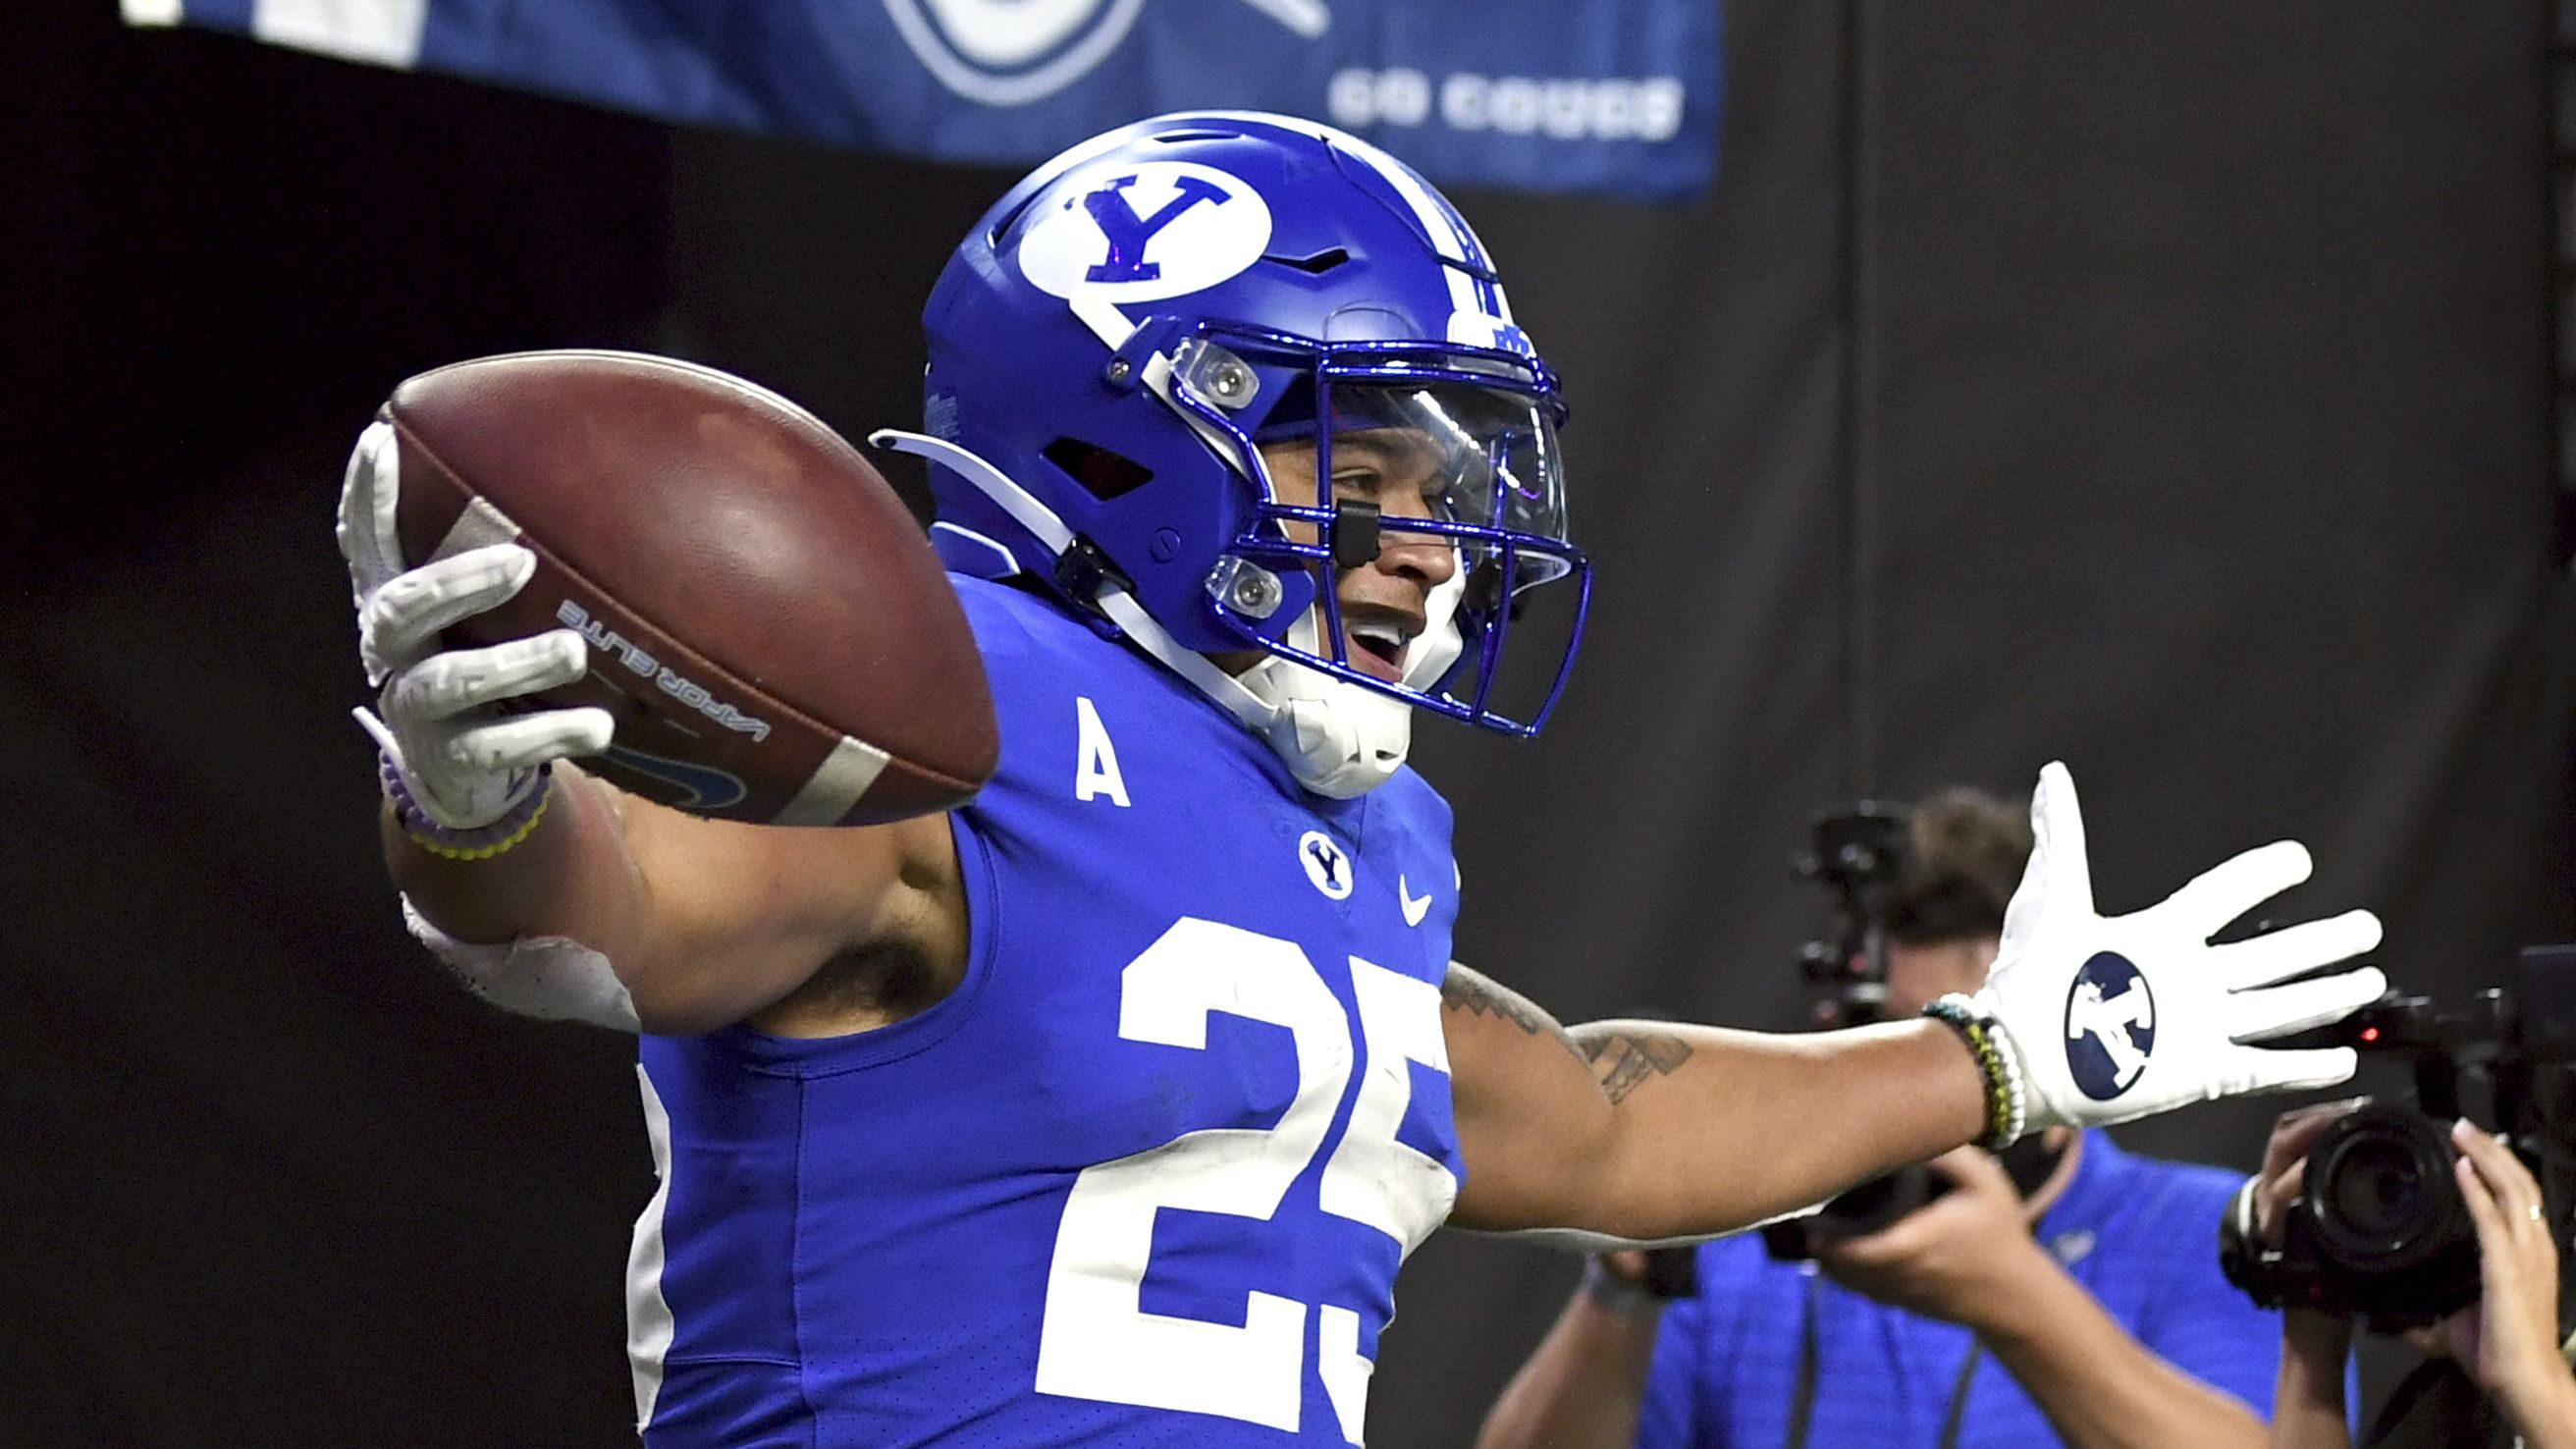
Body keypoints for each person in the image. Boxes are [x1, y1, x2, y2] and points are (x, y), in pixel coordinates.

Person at [337, 111, 2388, 1446]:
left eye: (1447, 482)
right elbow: (616, 929)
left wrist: (2009, 1053)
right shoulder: (957, 706)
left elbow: (1593, 1122)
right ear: (1131, 432)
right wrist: (484, 813)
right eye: (1364, 467)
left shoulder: (1358, 832)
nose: (1432, 547)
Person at [1476, 789, 2306, 1449]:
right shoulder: (1743, 1230)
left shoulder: (2202, 1231)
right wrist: (1622, 1291)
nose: (1943, 1086)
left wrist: (2017, 1302)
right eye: (1894, 1047)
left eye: (1984, 1048)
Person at [2253, 1102, 2576, 1448]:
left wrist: (2536, 1388)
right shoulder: (2449, 1409)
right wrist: (2313, 1311)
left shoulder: (2530, 1382)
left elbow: (2529, 1381)